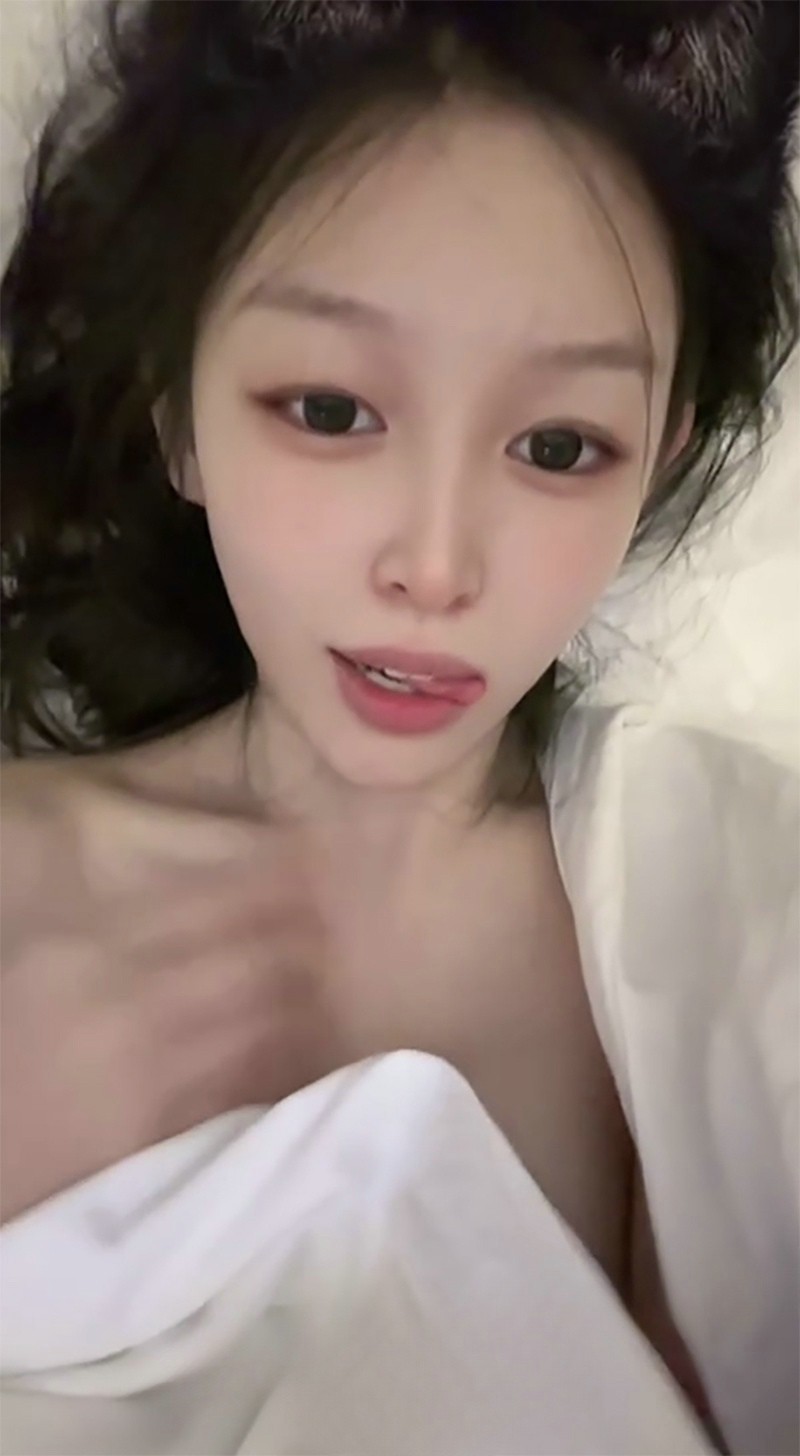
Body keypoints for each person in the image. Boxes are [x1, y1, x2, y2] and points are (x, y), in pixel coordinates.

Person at [1, 0, 797, 1438]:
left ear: (657, 458)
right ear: (176, 407)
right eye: (328, 409)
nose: (435, 567)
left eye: (559, 444)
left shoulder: (730, 926)